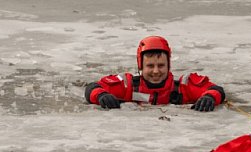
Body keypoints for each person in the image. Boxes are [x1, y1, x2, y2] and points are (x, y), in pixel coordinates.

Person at [85, 36, 225, 111]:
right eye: (150, 66)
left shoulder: (183, 86)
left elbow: (216, 90)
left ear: (168, 65)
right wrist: (101, 95)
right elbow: (91, 88)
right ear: (140, 65)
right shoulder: (127, 85)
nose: (156, 71)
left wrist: (210, 98)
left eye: (161, 65)